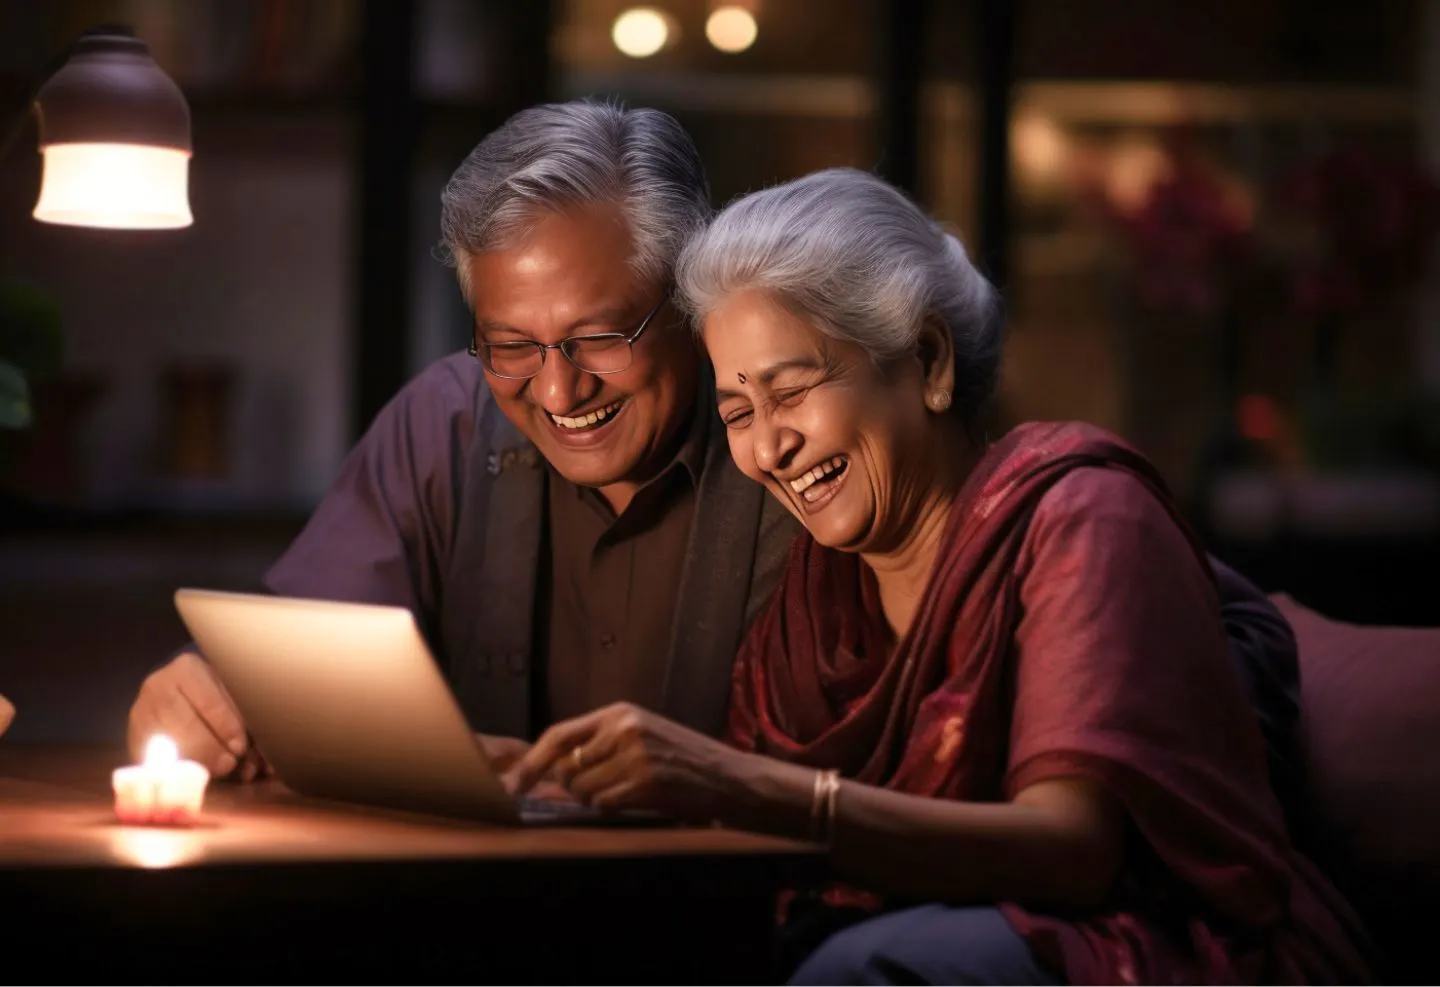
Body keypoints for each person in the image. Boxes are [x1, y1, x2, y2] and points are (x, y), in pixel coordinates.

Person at [126, 102, 1300, 822]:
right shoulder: (443, 426)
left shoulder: (819, 453)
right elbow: (294, 660)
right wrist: (207, 695)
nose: (558, 388)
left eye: (602, 336)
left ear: (694, 305)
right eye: (510, 347)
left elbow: (1134, 625)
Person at [507, 168, 1371, 984]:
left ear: (926, 360)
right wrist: (563, 783)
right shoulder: (820, 592)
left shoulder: (1081, 514)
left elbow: (1076, 848)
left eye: (793, 388)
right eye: (739, 411)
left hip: (1136, 944)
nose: (768, 446)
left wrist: (750, 788)